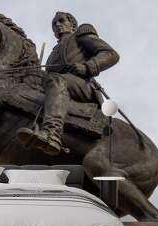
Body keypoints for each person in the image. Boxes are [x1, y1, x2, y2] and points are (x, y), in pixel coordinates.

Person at [16, 11, 120, 155]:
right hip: (56, 86)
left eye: (61, 21)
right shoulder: (53, 53)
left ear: (72, 24)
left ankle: (52, 134)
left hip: (82, 86)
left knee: (57, 79)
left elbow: (110, 54)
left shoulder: (80, 34)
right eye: (54, 24)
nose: (57, 25)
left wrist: (88, 66)